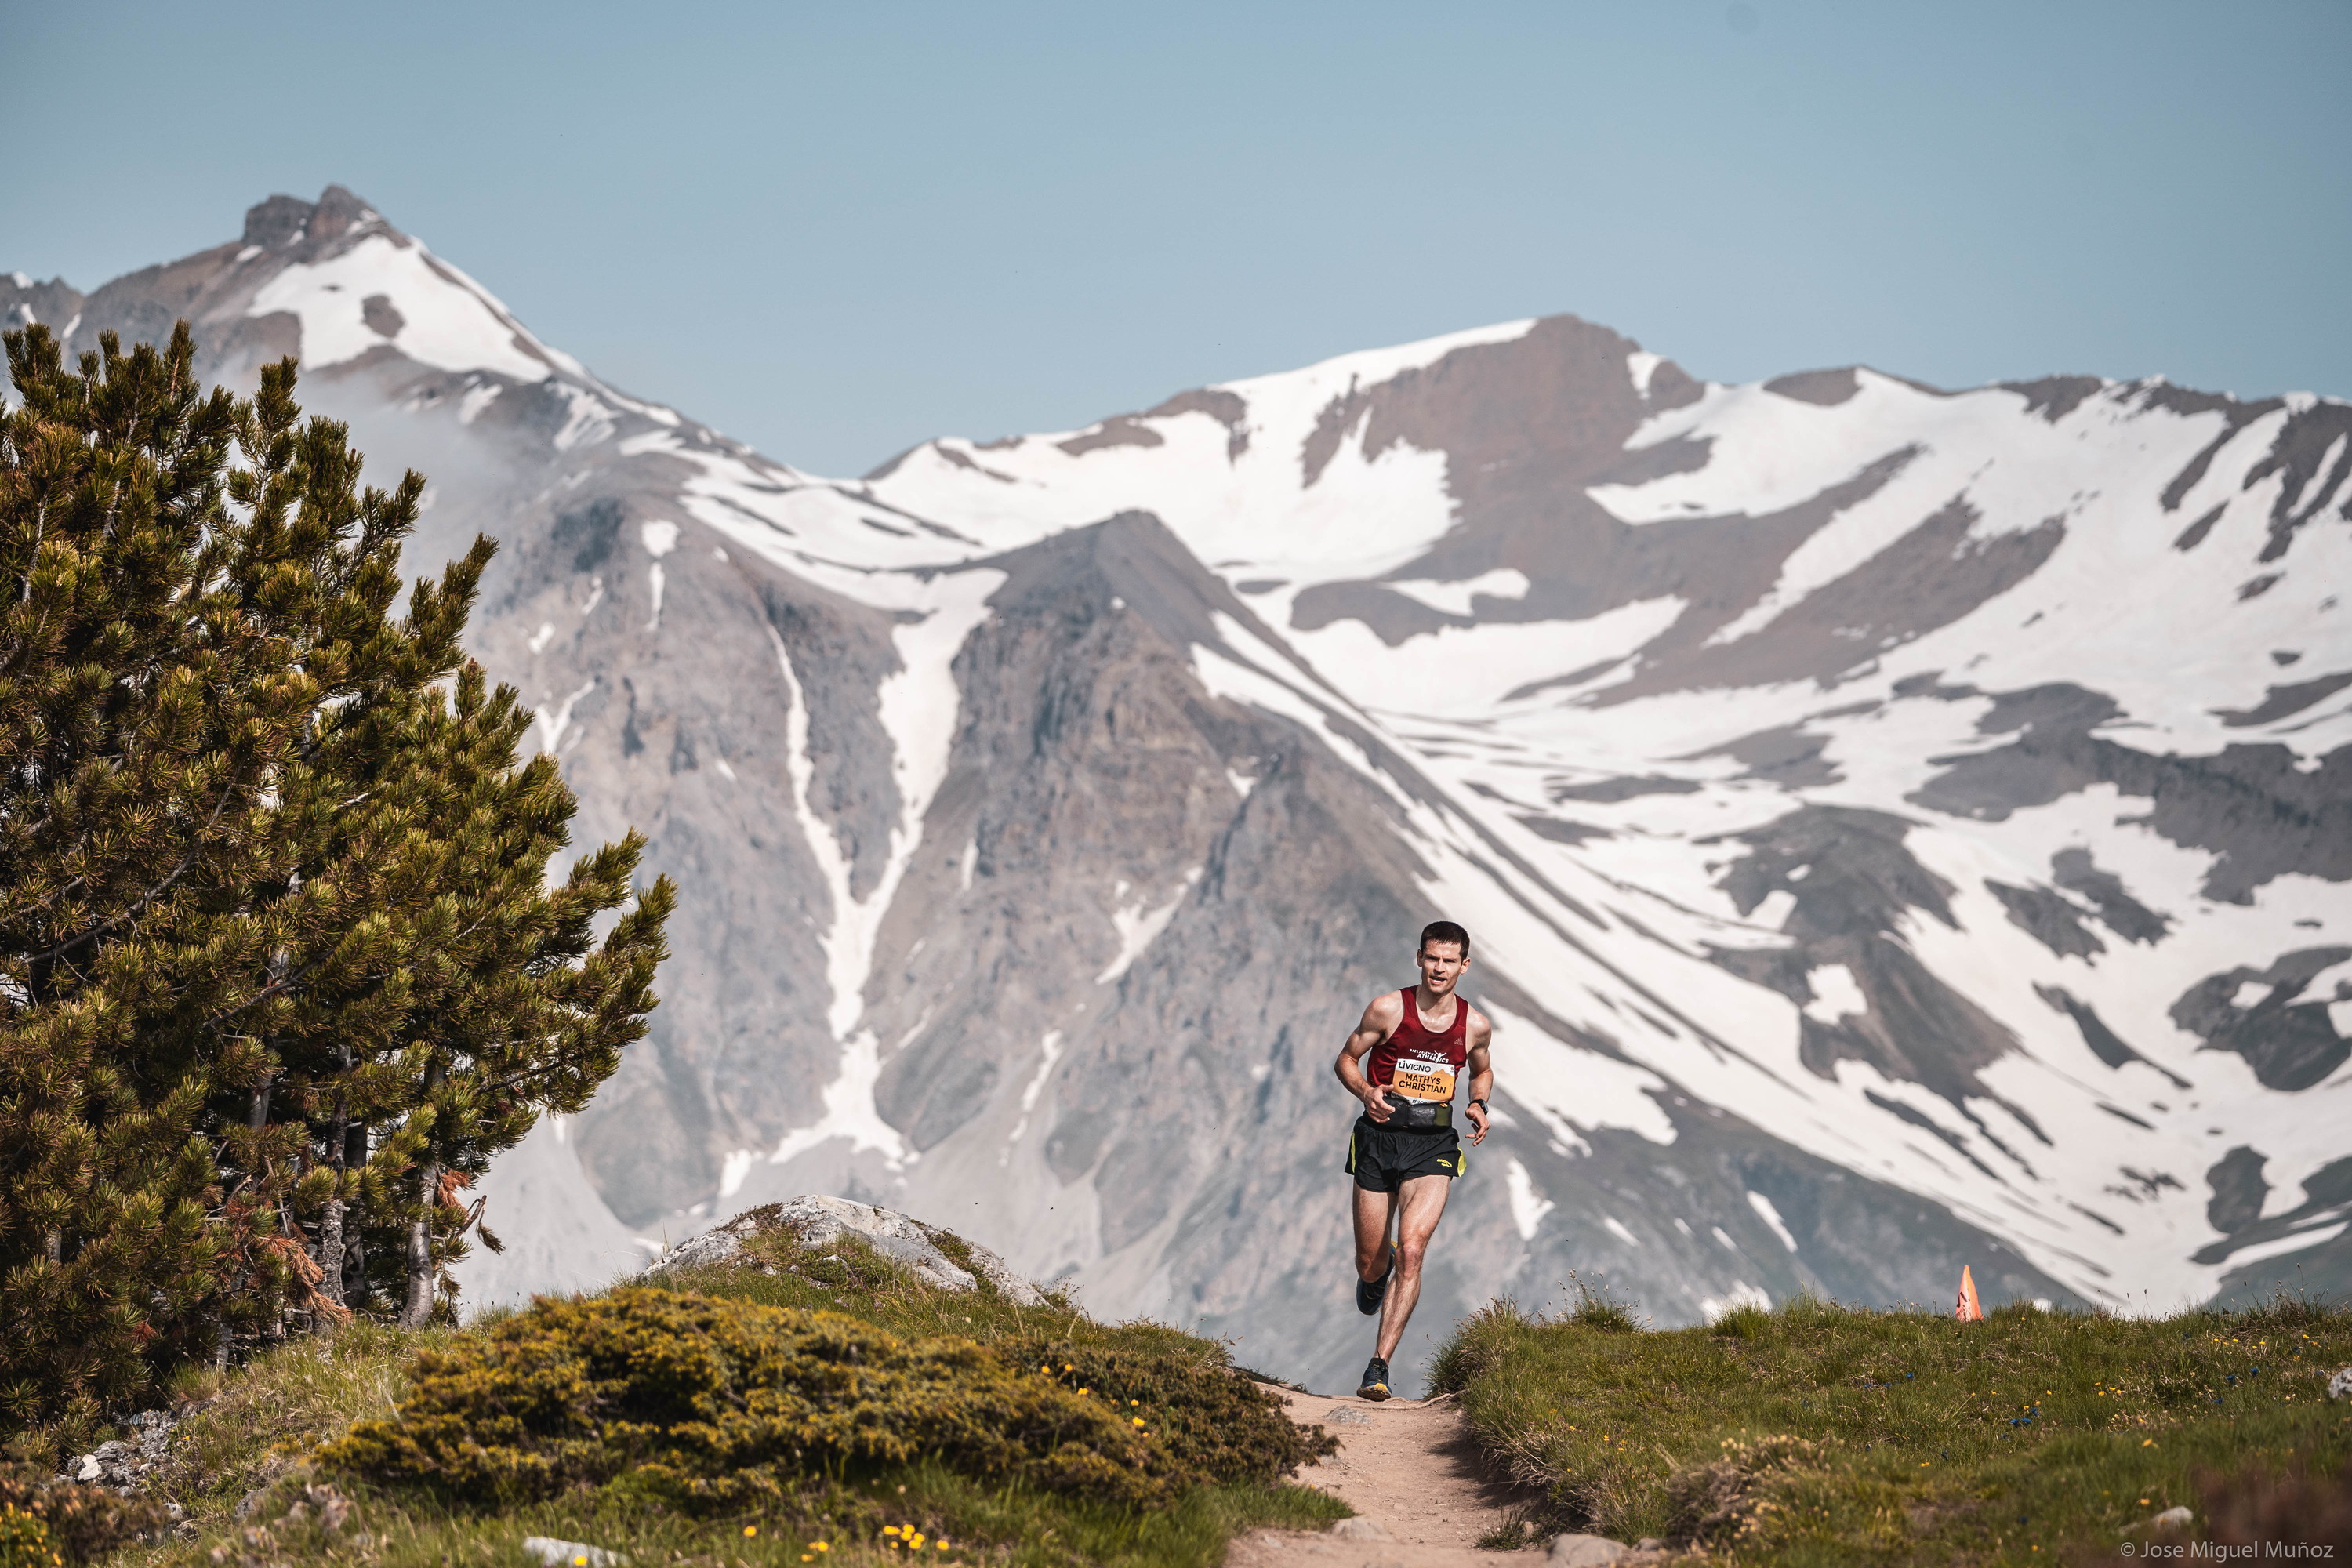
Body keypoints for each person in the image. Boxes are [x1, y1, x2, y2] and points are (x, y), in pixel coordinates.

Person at [1334, 919, 1492, 1401]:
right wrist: (1365, 1091)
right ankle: (1377, 1272)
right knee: (1369, 1261)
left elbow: (1482, 1072)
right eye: (1431, 958)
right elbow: (1345, 1058)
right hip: (1379, 1140)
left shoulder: (1475, 1025)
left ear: (1464, 965)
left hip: (1432, 1144)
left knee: (1415, 1248)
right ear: (1419, 958)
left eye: (1449, 961)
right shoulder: (1386, 1009)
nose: (1439, 969)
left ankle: (1379, 1366)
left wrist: (1478, 1104)